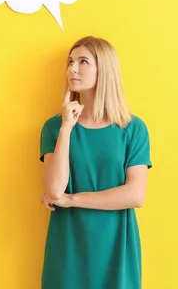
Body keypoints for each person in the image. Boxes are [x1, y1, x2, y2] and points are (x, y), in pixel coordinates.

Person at [39, 35, 152, 289]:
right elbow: (55, 189)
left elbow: (135, 194)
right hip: (67, 249)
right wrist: (67, 128)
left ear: (105, 69)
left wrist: (71, 199)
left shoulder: (133, 129)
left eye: (83, 61)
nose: (72, 69)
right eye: (70, 61)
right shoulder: (54, 127)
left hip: (116, 248)